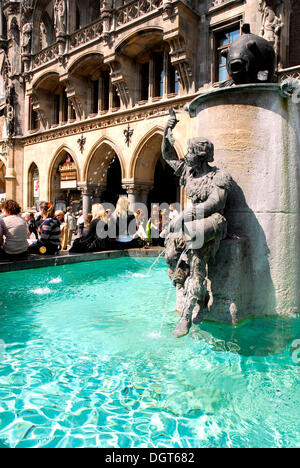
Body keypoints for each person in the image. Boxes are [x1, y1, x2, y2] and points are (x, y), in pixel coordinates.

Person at [162, 109, 232, 338]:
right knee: (171, 249)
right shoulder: (188, 173)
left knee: (196, 254)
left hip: (212, 221)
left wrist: (185, 215)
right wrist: (168, 129)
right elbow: (168, 156)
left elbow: (214, 203)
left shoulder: (219, 177)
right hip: (192, 220)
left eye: (190, 151)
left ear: (200, 155)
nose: (186, 155)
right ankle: (180, 273)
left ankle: (188, 311)